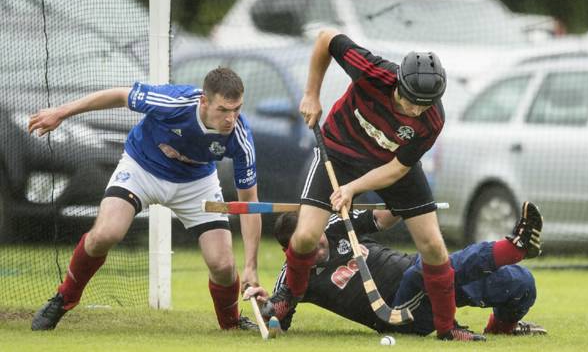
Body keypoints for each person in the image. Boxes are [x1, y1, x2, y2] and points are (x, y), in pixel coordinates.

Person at [274, 27, 471, 340]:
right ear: (399, 84)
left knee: (434, 245)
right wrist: (311, 94)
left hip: (390, 165)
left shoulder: (432, 119)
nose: (417, 111)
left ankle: (447, 327)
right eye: (411, 103)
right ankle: (287, 298)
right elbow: (326, 38)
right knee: (307, 236)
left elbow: (396, 170)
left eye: (425, 104)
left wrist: (352, 189)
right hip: (338, 153)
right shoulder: (372, 71)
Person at [28, 68, 261, 331]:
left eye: (237, 109)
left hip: (197, 184)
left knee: (223, 264)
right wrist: (61, 112)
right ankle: (64, 298)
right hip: (142, 168)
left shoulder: (240, 136)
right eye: (223, 110)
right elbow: (118, 95)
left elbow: (249, 203)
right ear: (204, 102)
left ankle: (231, 326)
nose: (231, 119)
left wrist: (251, 266)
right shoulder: (173, 102)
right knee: (105, 234)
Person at [247, 201, 545, 339]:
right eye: (310, 247)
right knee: (428, 265)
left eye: (318, 237)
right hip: (400, 312)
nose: (319, 244)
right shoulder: (294, 276)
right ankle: (515, 248)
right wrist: (264, 306)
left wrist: (405, 198)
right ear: (292, 251)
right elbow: (277, 316)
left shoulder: (336, 225)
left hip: (425, 285)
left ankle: (502, 330)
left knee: (520, 283)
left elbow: (380, 218)